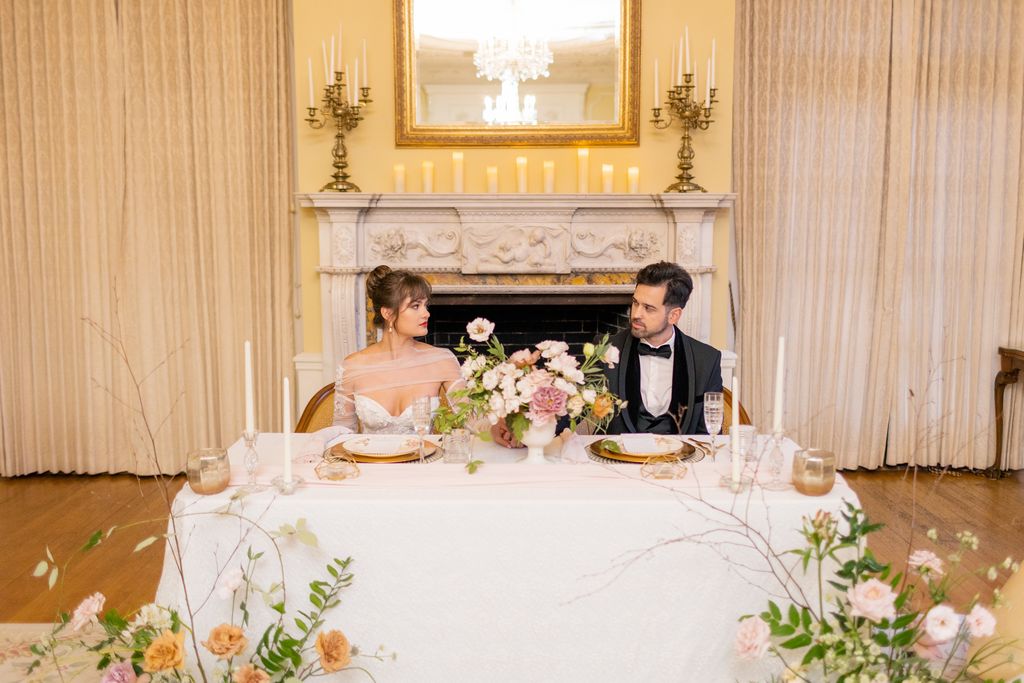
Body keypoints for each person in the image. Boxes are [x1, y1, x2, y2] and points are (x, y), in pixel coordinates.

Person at [491, 261, 722, 445]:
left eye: (648, 308)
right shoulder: (607, 349)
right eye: (635, 303)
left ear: (674, 315)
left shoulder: (706, 360)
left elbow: (709, 434)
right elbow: (573, 408)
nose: (636, 314)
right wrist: (523, 429)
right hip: (618, 466)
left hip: (680, 471)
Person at [332, 265, 462, 434]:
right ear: (388, 313)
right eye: (416, 306)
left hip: (423, 459)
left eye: (425, 305)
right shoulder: (352, 367)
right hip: (370, 460)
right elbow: (340, 435)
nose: (426, 313)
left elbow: (472, 420)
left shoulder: (442, 360)